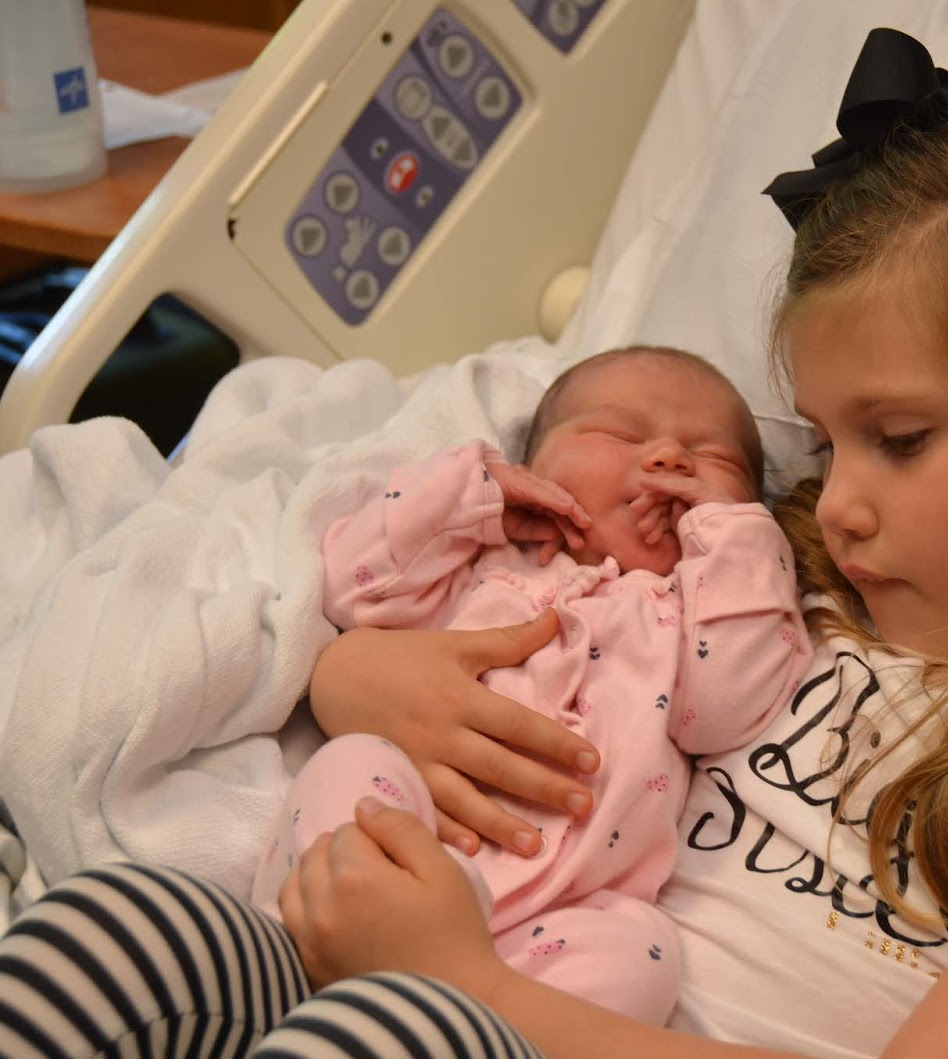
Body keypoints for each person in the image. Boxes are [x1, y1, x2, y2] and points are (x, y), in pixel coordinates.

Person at [0, 28, 948, 1059]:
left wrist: (459, 980)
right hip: (377, 946)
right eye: (823, 440)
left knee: (392, 1033)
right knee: (115, 933)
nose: (837, 500)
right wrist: (346, 674)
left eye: (899, 439)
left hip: (495, 1005)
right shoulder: (777, 563)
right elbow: (490, 587)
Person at [250, 344, 812, 1025]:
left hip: (551, 927)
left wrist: (733, 537)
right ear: (537, 465)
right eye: (619, 434)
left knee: (644, 952)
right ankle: (297, 951)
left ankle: (458, 1028)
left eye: (713, 455)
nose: (670, 456)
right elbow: (351, 587)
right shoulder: (486, 562)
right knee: (352, 763)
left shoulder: (700, 614)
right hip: (406, 849)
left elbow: (727, 709)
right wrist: (471, 498)